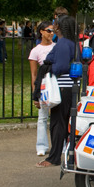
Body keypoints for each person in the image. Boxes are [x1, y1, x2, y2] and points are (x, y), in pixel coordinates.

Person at [35, 15, 77, 167]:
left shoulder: (63, 44)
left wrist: (47, 67)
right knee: (63, 122)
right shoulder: (69, 43)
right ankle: (64, 153)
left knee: (57, 123)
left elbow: (61, 67)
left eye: (55, 25)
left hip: (62, 86)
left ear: (59, 27)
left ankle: (54, 157)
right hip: (67, 86)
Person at [29, 22, 55, 157]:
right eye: (48, 30)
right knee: (42, 116)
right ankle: (41, 145)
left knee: (57, 115)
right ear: (41, 32)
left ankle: (59, 144)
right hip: (44, 84)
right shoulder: (36, 51)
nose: (51, 33)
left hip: (55, 83)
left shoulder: (56, 47)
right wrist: (35, 93)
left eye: (52, 31)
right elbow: (34, 74)